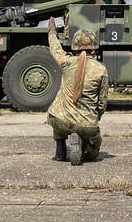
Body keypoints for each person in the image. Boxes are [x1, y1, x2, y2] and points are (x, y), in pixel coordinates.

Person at [46, 17, 108, 165]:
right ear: (94, 49)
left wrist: (51, 32)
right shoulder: (100, 69)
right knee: (93, 154)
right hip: (87, 126)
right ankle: (82, 144)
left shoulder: (66, 62)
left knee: (58, 112)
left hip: (59, 121)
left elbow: (55, 48)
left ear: (74, 47)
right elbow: (102, 103)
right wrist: (94, 119)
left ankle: (60, 150)